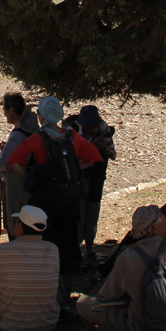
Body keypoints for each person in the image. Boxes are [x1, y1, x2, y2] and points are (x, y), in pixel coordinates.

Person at [7, 96, 102, 285]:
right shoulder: (72, 137)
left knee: (48, 241)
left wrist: (29, 178)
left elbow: (13, 161)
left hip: (47, 200)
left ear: (42, 116)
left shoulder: (37, 139)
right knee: (68, 243)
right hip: (70, 199)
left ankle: (48, 285)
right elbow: (94, 156)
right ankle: (66, 287)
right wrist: (74, 169)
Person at [65, 104, 117, 263]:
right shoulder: (72, 131)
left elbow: (113, 154)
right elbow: (70, 156)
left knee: (92, 214)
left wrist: (103, 147)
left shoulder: (104, 130)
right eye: (90, 127)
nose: (94, 130)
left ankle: (89, 248)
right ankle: (76, 250)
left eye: (95, 127)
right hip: (78, 180)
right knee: (79, 216)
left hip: (96, 179)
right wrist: (91, 145)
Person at [0, 92, 38, 239]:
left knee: (16, 220)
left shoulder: (17, 134)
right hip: (31, 181)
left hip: (17, 183)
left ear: (11, 110)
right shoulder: (32, 129)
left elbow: (5, 163)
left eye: (5, 110)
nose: (4, 114)